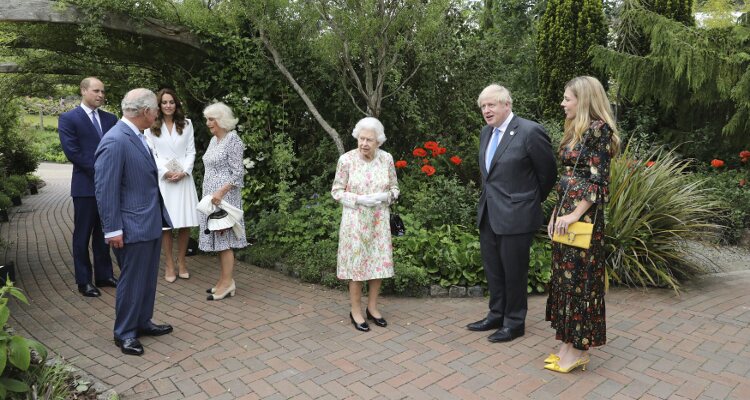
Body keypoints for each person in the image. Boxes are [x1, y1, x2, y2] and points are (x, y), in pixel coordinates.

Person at [468, 84, 557, 342]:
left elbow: (548, 174)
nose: (486, 110)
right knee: (494, 269)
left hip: (517, 216)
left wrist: (527, 202)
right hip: (489, 213)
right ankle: (496, 314)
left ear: (507, 104)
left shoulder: (530, 131)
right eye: (483, 106)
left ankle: (514, 322)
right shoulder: (487, 132)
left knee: (514, 271)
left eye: (491, 105)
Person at [544, 76, 620, 373]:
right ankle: (566, 344)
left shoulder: (599, 131)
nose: (563, 103)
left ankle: (577, 350)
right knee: (565, 281)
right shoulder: (577, 130)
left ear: (584, 100)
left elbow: (599, 183)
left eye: (567, 99)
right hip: (566, 213)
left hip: (582, 218)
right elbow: (567, 179)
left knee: (579, 282)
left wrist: (574, 215)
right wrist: (555, 213)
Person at [94, 88, 174, 356]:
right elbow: (105, 189)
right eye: (155, 110)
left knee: (147, 278)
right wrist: (112, 229)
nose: (156, 114)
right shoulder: (116, 140)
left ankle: (142, 322)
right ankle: (125, 333)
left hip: (148, 222)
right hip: (130, 227)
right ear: (146, 112)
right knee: (131, 280)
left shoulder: (137, 135)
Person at [331, 117, 399, 332]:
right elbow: (336, 191)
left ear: (379, 141)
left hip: (379, 222)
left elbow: (395, 189)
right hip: (355, 223)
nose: (364, 144)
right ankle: (355, 310)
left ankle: (372, 308)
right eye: (361, 138)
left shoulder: (386, 159)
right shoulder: (347, 160)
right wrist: (358, 199)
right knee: (357, 267)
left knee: (377, 265)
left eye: (369, 140)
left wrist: (385, 196)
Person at [58, 77, 119, 297]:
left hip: (109, 188)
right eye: (96, 91)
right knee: (82, 235)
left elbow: (116, 148)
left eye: (103, 91)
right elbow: (72, 152)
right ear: (83, 91)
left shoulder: (111, 119)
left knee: (104, 233)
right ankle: (84, 280)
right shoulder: (68, 118)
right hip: (85, 187)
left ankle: (104, 276)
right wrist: (102, 171)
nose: (101, 95)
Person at [145, 89, 200, 283]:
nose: (168, 105)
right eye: (164, 102)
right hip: (164, 180)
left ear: (176, 104)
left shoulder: (187, 124)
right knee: (166, 225)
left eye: (171, 102)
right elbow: (151, 154)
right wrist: (165, 172)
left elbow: (191, 151)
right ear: (158, 106)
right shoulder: (150, 126)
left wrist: (185, 171)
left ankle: (182, 261)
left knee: (185, 222)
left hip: (184, 178)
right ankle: (169, 263)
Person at [199, 102, 247, 301]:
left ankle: (228, 283)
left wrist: (220, 192)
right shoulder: (214, 141)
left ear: (222, 120)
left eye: (212, 119)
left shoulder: (233, 140)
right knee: (218, 241)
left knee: (224, 240)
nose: (208, 123)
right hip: (212, 197)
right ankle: (223, 280)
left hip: (224, 198)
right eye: (207, 119)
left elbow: (238, 174)